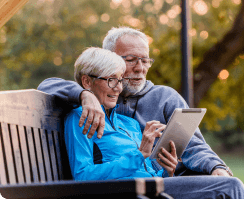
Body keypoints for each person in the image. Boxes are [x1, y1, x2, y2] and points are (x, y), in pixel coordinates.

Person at [38, 26, 232, 177]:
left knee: (227, 184)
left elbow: (193, 144)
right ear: (111, 61)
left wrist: (215, 167)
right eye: (131, 59)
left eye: (145, 60)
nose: (140, 68)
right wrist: (85, 95)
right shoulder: (95, 97)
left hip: (172, 180)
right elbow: (48, 85)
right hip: (134, 189)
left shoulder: (164, 98)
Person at [65, 47, 244, 199]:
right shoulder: (79, 118)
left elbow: (147, 169)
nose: (118, 88)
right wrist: (139, 155)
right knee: (229, 187)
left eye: (120, 81)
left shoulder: (127, 123)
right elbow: (83, 176)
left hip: (155, 187)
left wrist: (167, 170)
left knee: (224, 186)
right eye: (111, 80)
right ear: (86, 82)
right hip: (129, 191)